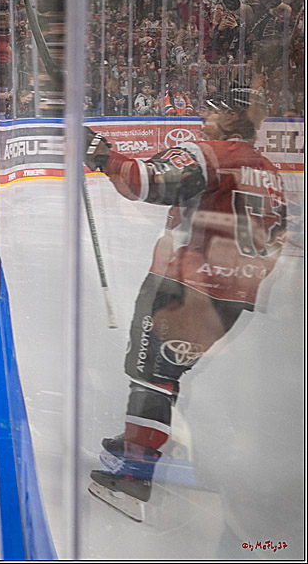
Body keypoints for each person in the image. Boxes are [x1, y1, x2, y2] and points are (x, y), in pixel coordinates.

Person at [83, 85, 287, 522]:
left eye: (213, 113)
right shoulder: (269, 170)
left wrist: (101, 155)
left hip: (184, 286)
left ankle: (134, 479)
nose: (202, 118)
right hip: (234, 296)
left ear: (233, 120)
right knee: (163, 371)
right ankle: (142, 437)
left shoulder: (210, 153)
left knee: (152, 374)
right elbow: (278, 239)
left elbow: (145, 183)